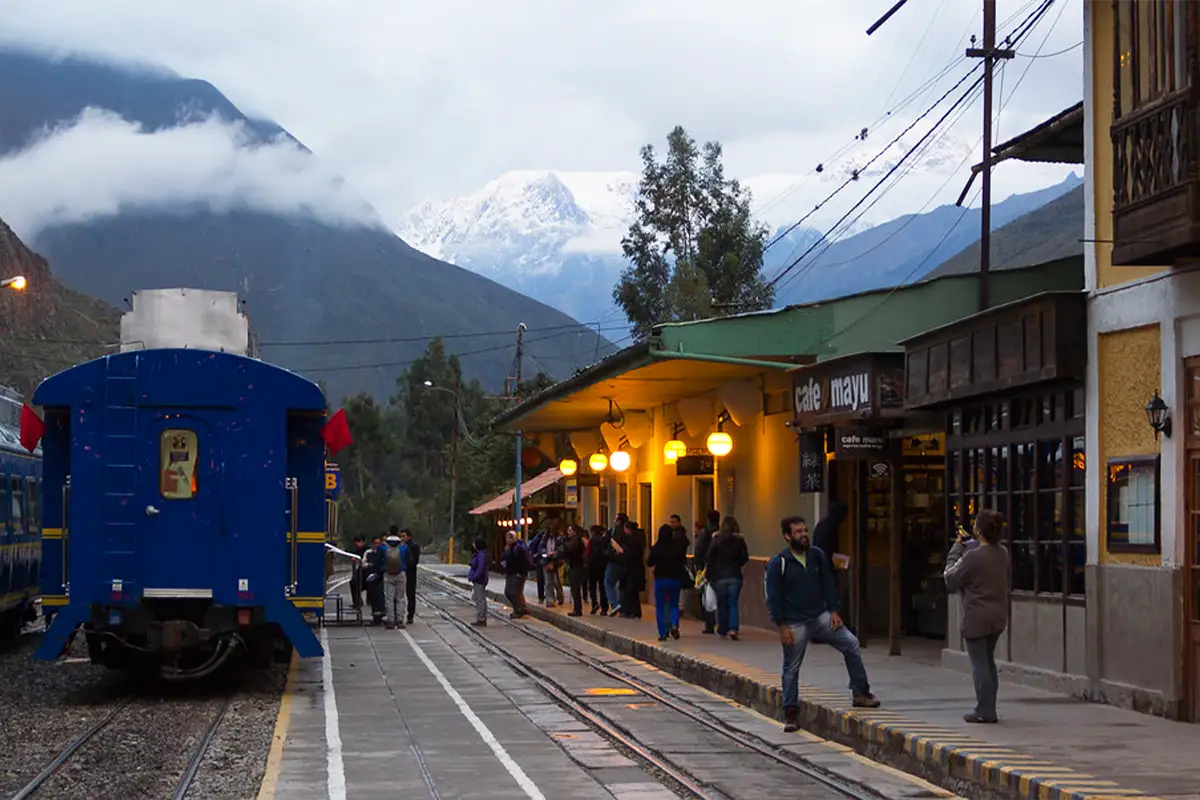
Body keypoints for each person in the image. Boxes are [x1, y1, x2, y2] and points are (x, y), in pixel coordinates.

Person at [767, 515, 879, 733]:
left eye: (805, 530)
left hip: (820, 616)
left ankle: (861, 692)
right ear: (787, 536)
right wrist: (781, 626)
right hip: (794, 623)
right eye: (798, 532)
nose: (803, 535)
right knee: (791, 667)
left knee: (851, 644)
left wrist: (834, 610)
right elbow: (773, 597)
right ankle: (790, 713)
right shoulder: (778, 563)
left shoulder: (816, 556)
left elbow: (828, 583)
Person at [943, 509, 1010, 724]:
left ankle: (985, 710)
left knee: (979, 663)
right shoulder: (1003, 553)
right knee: (988, 661)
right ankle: (989, 707)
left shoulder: (972, 556)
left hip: (975, 617)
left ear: (978, 530)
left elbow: (950, 579)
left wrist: (956, 548)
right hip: (998, 615)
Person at [706, 516, 749, 640]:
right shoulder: (740, 540)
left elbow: (710, 556)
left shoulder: (716, 539)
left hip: (719, 577)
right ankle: (733, 628)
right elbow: (744, 558)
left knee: (722, 603)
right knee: (733, 603)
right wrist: (736, 564)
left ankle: (722, 629)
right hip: (735, 576)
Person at [648, 523, 688, 641]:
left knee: (660, 607)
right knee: (673, 605)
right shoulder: (677, 547)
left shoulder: (657, 547)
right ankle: (674, 624)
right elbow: (683, 562)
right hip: (675, 579)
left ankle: (663, 632)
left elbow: (649, 562)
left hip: (660, 579)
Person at [694, 510, 719, 634]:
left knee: (707, 597)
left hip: (707, 568)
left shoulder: (705, 533)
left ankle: (709, 624)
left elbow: (698, 550)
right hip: (721, 569)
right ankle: (723, 624)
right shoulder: (722, 533)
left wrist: (698, 566)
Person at [381, 531, 409, 630]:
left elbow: (381, 559)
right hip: (401, 573)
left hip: (388, 574)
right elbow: (408, 559)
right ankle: (400, 620)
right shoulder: (403, 548)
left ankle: (390, 621)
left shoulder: (384, 548)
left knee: (389, 598)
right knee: (400, 598)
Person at [500, 530, 531, 619]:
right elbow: (505, 558)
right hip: (510, 572)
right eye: (507, 538)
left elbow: (522, 561)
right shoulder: (509, 548)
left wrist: (520, 573)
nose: (508, 540)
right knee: (508, 592)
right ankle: (520, 608)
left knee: (515, 592)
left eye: (510, 538)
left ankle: (519, 610)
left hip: (517, 573)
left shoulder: (518, 548)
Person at [618, 518, 646, 618]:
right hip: (637, 568)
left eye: (625, 529)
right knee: (633, 591)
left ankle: (631, 611)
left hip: (631, 568)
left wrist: (621, 552)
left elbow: (629, 554)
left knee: (630, 590)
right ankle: (635, 611)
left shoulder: (631, 540)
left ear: (628, 529)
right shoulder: (639, 538)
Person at [604, 514, 628, 616]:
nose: (614, 521)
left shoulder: (615, 531)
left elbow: (610, 544)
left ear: (619, 521)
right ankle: (623, 608)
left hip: (615, 561)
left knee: (608, 582)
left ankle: (614, 604)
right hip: (625, 562)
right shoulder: (628, 532)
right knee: (622, 586)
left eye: (616, 519)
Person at [564, 524, 587, 617]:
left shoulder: (576, 541)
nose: (568, 532)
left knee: (575, 589)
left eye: (570, 530)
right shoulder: (577, 540)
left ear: (574, 532)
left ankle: (577, 610)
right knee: (575, 589)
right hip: (576, 566)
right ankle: (577, 608)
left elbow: (569, 551)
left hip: (576, 566)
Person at [587, 524, 610, 616]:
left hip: (592, 566)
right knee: (602, 588)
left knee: (592, 587)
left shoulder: (591, 540)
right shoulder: (605, 540)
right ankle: (604, 608)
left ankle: (594, 604)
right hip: (603, 566)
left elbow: (588, 553)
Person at [467, 537, 490, 626]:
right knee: (479, 599)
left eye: (474, 543)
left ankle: (481, 619)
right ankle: (481, 617)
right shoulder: (480, 554)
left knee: (480, 600)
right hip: (479, 579)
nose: (473, 545)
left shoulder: (481, 555)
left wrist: (474, 577)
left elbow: (480, 568)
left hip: (479, 580)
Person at [540, 524, 566, 607]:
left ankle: (560, 596)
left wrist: (554, 554)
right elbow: (541, 548)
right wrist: (545, 553)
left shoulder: (560, 538)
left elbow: (561, 549)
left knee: (556, 582)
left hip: (557, 562)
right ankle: (550, 600)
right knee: (548, 582)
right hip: (546, 561)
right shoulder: (544, 538)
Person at [401, 527, 421, 624]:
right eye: (401, 536)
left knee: (410, 594)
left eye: (404, 536)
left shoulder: (414, 546)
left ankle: (410, 614)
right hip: (400, 572)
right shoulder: (399, 546)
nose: (402, 538)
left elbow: (415, 561)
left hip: (410, 573)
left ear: (409, 537)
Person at [348, 535, 368, 610]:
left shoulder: (367, 550)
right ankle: (357, 601)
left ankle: (358, 602)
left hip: (367, 572)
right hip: (361, 571)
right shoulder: (358, 550)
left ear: (362, 542)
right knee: (353, 582)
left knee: (356, 582)